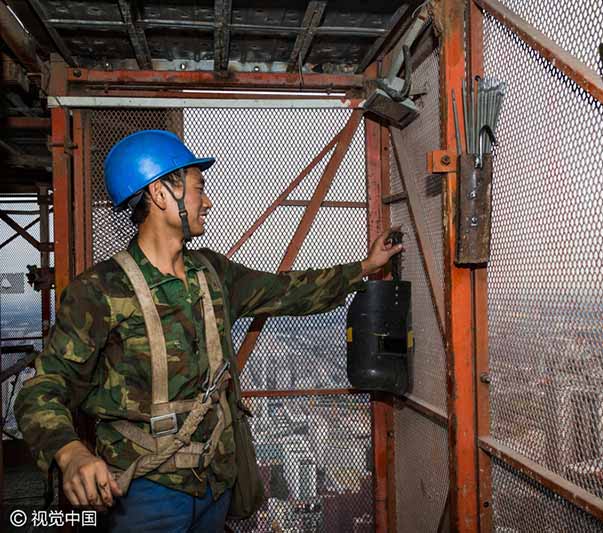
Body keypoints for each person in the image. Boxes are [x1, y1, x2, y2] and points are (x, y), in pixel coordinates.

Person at [14, 130, 401, 532]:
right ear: (162, 194)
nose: (209, 201)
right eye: (199, 189)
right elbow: (43, 388)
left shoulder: (212, 273)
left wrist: (364, 268)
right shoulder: (99, 291)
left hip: (216, 480)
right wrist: (70, 451)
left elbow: (285, 292)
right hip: (146, 489)